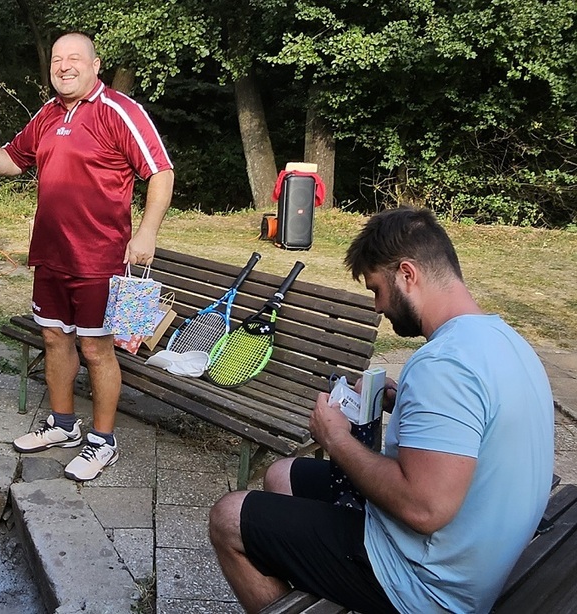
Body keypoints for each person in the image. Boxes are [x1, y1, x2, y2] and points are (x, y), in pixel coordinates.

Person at [209, 206, 554, 614]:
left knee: (228, 516)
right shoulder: (502, 340)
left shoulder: (443, 365)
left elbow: (424, 509)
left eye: (376, 289)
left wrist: (335, 438)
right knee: (280, 474)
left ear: (407, 274)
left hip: (429, 584)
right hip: (471, 551)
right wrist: (401, 400)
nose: (377, 307)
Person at [0, 32, 174, 482]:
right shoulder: (48, 113)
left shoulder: (120, 111)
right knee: (53, 339)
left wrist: (146, 231)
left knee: (96, 348)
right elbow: (13, 160)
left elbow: (161, 172)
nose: (64, 66)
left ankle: (103, 442)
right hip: (50, 255)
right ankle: (64, 425)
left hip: (100, 259)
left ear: (95, 65)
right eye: (56, 59)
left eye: (74, 58)